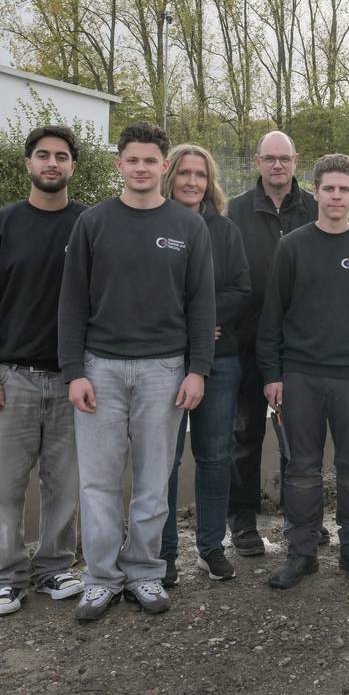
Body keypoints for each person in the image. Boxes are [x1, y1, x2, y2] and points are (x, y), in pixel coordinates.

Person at [59, 122, 215, 622]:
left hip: (164, 371)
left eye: (151, 160)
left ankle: (145, 571)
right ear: (119, 164)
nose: (142, 168)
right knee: (98, 483)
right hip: (99, 370)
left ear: (163, 167)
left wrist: (198, 370)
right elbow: (71, 302)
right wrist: (73, 372)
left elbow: (202, 306)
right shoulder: (93, 223)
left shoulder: (190, 228)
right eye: (133, 159)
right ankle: (101, 578)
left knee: (152, 480)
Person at [258, 154, 349, 589]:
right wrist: (272, 374)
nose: (336, 196)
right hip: (300, 377)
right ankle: (302, 554)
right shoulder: (293, 246)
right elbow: (271, 318)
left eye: (345, 189)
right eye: (329, 188)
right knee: (301, 469)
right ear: (314, 191)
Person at [0, 126, 86, 617]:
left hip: (72, 378)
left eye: (60, 156)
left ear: (73, 164)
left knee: (63, 484)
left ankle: (53, 568)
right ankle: (7, 576)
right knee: (6, 486)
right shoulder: (7, 224)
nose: (51, 163)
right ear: (28, 163)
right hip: (14, 376)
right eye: (42, 155)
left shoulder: (89, 225)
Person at [159, 144, 251, 586]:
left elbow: (240, 289)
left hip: (221, 358)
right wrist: (189, 328)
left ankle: (211, 547)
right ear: (170, 176)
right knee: (166, 458)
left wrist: (206, 323)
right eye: (184, 173)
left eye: (200, 174)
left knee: (215, 454)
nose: (192, 182)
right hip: (165, 358)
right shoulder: (154, 226)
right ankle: (164, 553)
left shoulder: (224, 231)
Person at [227, 130, 317, 556]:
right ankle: (243, 523)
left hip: (299, 347)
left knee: (296, 439)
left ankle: (299, 522)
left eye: (285, 158)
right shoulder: (235, 212)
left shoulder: (316, 208)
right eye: (270, 158)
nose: (277, 165)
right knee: (244, 437)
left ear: (296, 161)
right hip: (244, 343)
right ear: (257, 161)